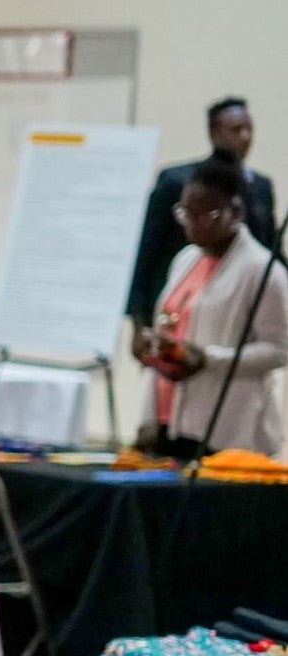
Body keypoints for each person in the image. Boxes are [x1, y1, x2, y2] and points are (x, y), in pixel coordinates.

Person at [133, 151, 288, 457]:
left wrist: (208, 358)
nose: (193, 224)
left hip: (227, 428)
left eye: (207, 215)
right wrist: (154, 346)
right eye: (186, 213)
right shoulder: (185, 260)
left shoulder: (263, 271)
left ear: (236, 210)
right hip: (169, 417)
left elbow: (280, 350)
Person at [129, 97, 278, 332]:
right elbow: (147, 251)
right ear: (214, 133)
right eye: (236, 129)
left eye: (249, 128)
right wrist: (139, 319)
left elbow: (270, 246)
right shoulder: (177, 182)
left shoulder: (260, 187)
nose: (245, 136)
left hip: (241, 307)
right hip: (183, 303)